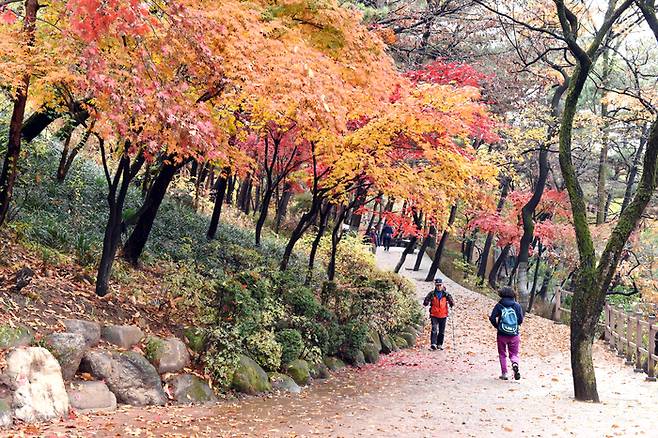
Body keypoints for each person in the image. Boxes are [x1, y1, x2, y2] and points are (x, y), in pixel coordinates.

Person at [489, 286, 524, 380]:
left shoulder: (499, 305)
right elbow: (520, 320)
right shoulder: (517, 306)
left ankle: (504, 373)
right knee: (514, 354)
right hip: (514, 334)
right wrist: (515, 326)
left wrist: (497, 326)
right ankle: (515, 363)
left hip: (502, 334)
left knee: (502, 353)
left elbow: (492, 318)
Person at [423, 278, 454, 350]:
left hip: (443, 315)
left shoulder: (446, 294)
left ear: (442, 285)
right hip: (434, 314)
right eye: (437, 285)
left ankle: (439, 344)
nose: (439, 287)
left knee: (441, 331)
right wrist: (426, 303)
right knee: (434, 329)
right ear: (435, 285)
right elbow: (426, 301)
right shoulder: (432, 294)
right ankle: (433, 344)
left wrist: (451, 304)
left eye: (440, 285)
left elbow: (451, 302)